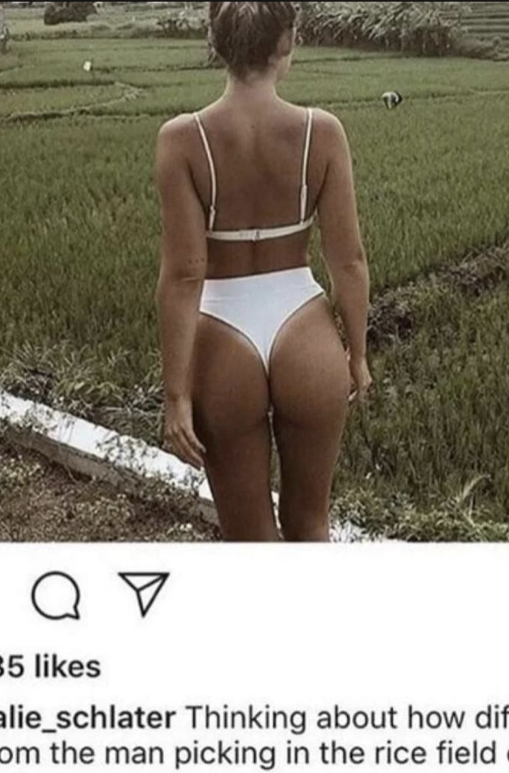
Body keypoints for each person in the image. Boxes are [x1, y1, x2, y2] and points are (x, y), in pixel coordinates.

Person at [154, 1, 372, 542]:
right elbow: (348, 261)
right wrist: (358, 355)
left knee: (249, 536)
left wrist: (176, 395)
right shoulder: (322, 132)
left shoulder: (181, 139)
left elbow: (183, 276)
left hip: (221, 337)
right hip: (306, 334)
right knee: (310, 523)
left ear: (215, 41)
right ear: (287, 43)